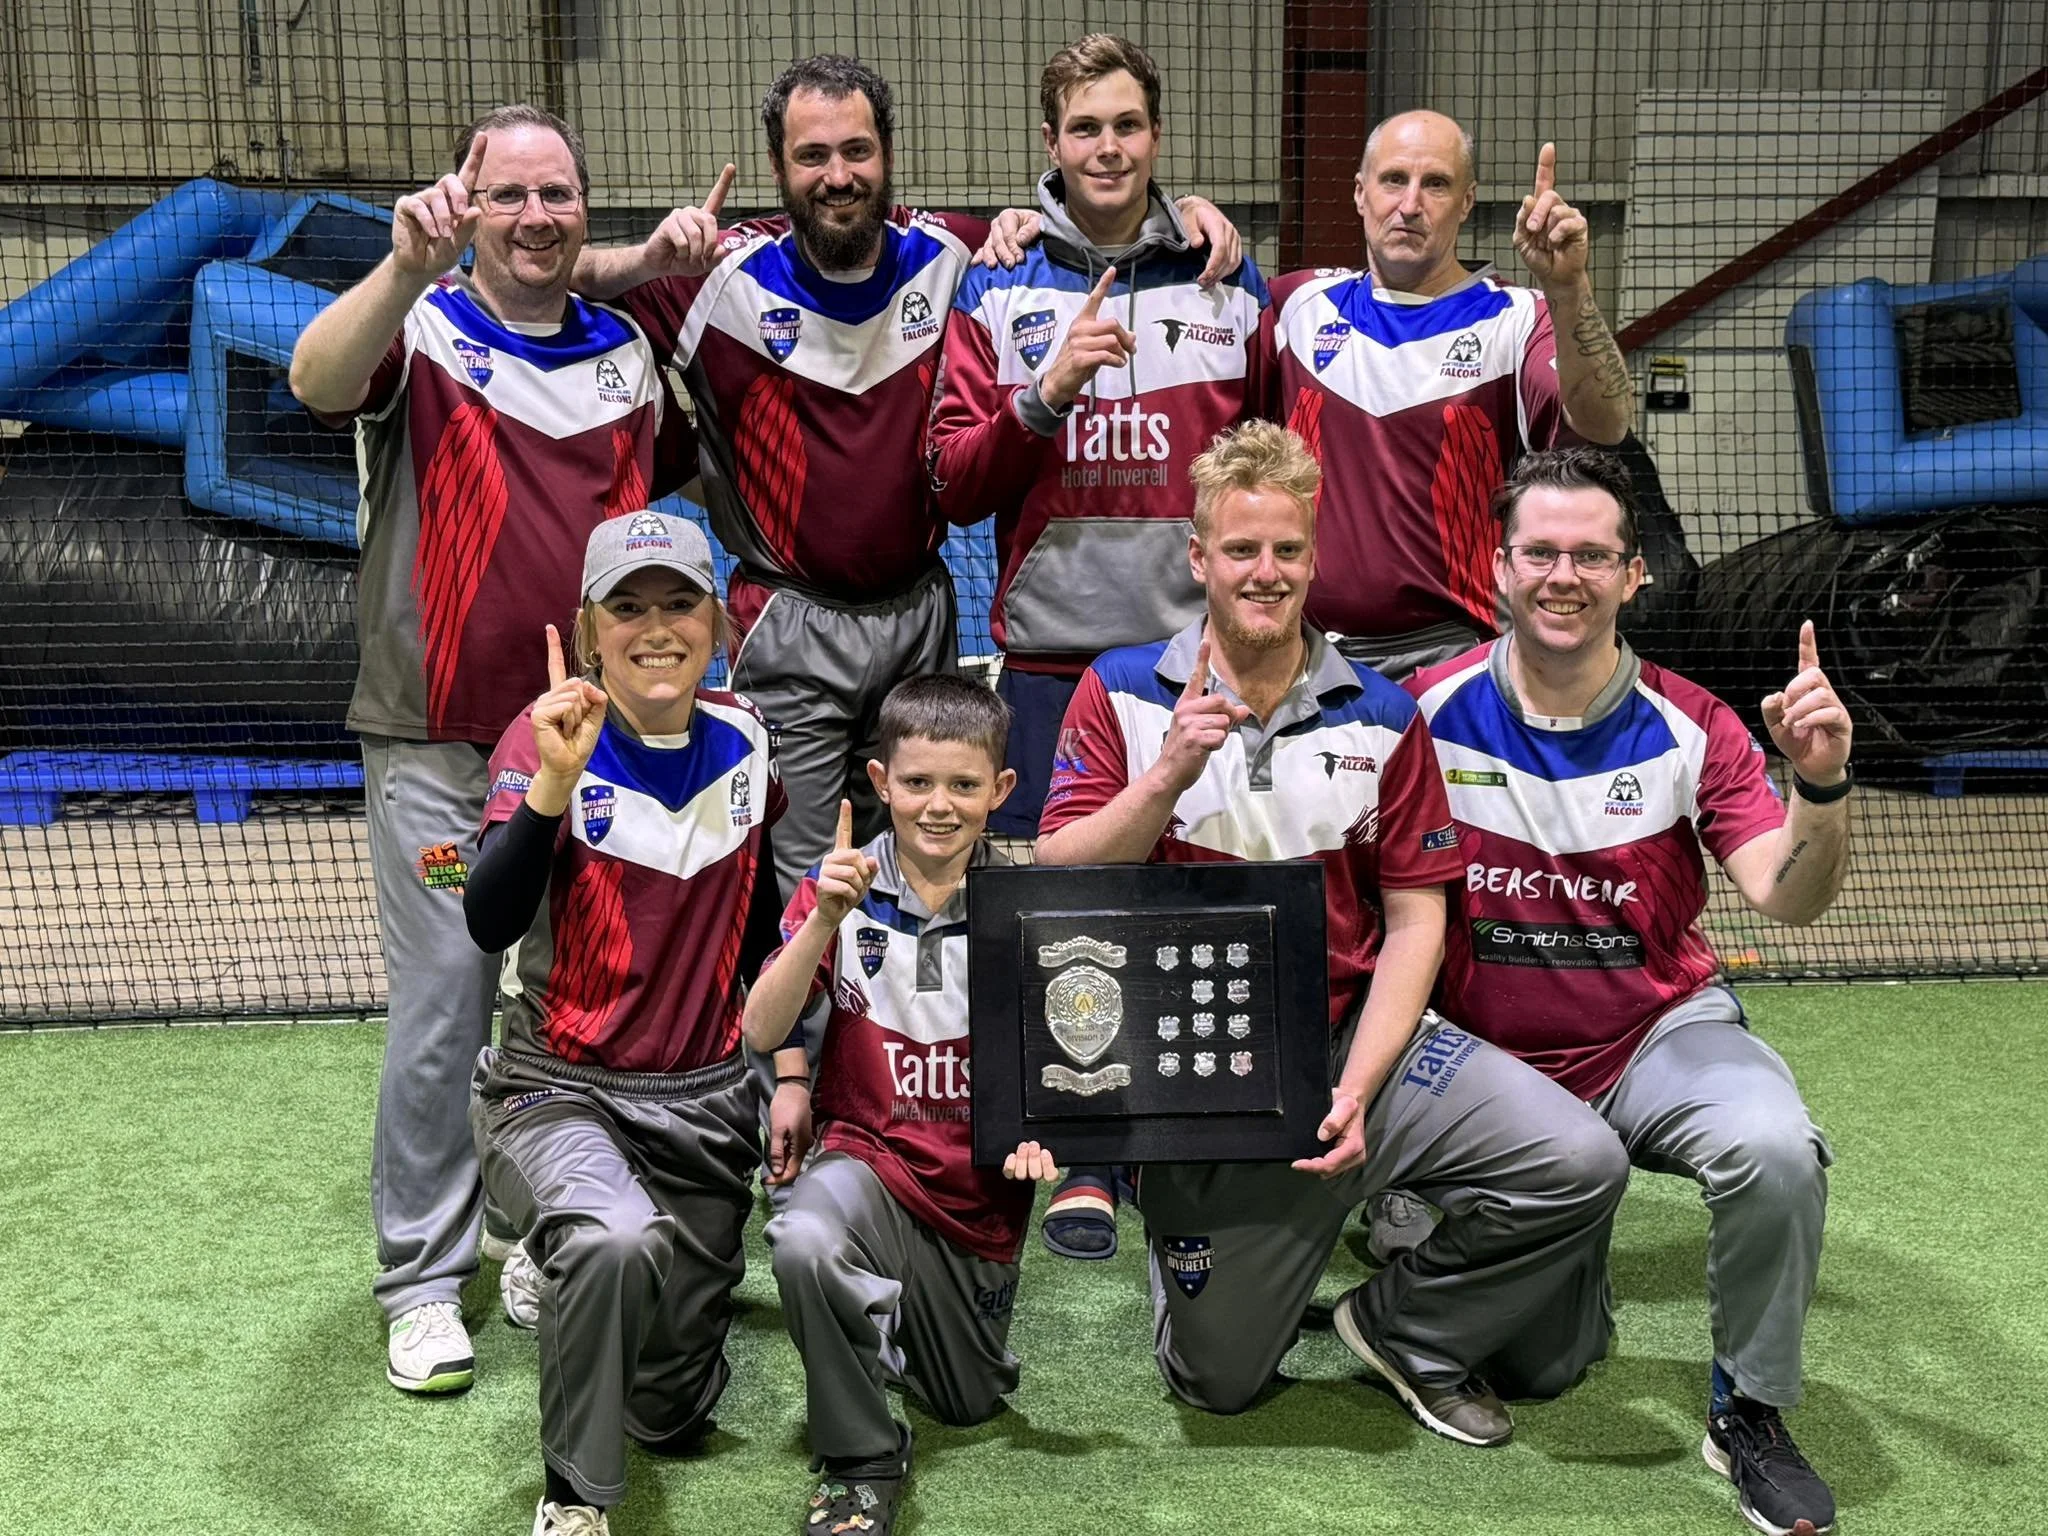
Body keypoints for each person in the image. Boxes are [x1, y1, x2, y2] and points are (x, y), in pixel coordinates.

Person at [1037, 420, 1629, 1444]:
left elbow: (1414, 921)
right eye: (1239, 550)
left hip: (1356, 1046)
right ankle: (1200, 1259)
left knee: (1578, 1161)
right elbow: (1056, 878)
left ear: (1313, 557)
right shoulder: (1122, 691)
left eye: (1285, 551)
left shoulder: (1385, 714)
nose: (1263, 574)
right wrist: (1168, 774)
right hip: (1199, 1075)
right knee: (1218, 1383)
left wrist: (1356, 1085)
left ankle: (1399, 1325)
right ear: (1197, 558)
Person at [572, 54, 1242, 899]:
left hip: (922, 618)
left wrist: (1183, 213)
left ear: (888, 153)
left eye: (857, 151)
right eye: (812, 156)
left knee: (931, 872)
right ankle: (799, 1033)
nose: (838, 175)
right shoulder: (716, 277)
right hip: (788, 622)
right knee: (807, 885)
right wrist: (644, 259)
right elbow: (545, 272)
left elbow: (1068, 223)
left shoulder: (957, 254)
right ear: (778, 166)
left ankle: (908, 1034)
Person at [288, 103, 691, 1394]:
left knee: (567, 1018)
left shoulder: (627, 355)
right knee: (446, 1012)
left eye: (558, 194)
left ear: (587, 206)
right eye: (507, 195)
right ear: (466, 207)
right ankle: (420, 1277)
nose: (535, 217)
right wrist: (405, 263)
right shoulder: (422, 330)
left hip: (590, 753)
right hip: (444, 750)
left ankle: (536, 1234)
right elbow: (312, 379)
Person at [1406, 447, 1851, 1535]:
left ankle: (1747, 1412)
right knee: (1546, 1366)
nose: (1564, 576)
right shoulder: (1418, 711)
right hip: (1490, 1067)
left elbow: (1785, 900)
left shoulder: (1692, 723)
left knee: (1773, 1147)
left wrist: (1819, 783)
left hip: (1651, 1033)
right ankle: (1491, 1240)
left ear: (1630, 574)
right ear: (1498, 567)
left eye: (1591, 556)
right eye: (1541, 553)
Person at [927, 32, 1267, 1259]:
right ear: (1050, 145)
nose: (1107, 148)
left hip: (1199, 664)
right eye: (1083, 128)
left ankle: (1186, 1154)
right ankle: (1076, 1155)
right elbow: (957, 480)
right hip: (1051, 663)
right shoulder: (995, 283)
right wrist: (1046, 392)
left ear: (1156, 139)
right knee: (1056, 912)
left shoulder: (1233, 279)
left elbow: (1273, 474)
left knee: (1198, 904)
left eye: (1126, 125)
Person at [461, 511, 797, 1536]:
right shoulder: (545, 736)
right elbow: (487, 918)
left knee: (669, 1411)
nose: (655, 628)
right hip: (558, 1084)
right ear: (590, 626)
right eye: (627, 606)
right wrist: (552, 791)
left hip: (701, 1100)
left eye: (678, 602)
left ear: (716, 620)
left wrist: (784, 1069)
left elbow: (759, 925)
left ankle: (575, 1266)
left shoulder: (746, 736)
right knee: (608, 1242)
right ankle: (571, 1501)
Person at [743, 674, 1059, 1536]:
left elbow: (1071, 1055)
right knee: (805, 1239)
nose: (939, 806)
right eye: (917, 783)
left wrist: (1050, 1142)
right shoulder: (837, 887)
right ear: (881, 783)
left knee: (967, 1404)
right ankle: (860, 1459)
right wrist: (819, 923)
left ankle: (879, 1332)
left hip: (977, 1199)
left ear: (1000, 792)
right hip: (867, 1162)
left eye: (964, 786)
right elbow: (759, 1027)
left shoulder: (1031, 903)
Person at [1263, 110, 1634, 679]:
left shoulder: (1515, 320)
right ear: (1360, 194)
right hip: (1307, 656)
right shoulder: (1297, 306)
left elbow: (1606, 423)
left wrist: (1568, 286)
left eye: (1435, 184)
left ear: (1466, 202)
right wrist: (1192, 212)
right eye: (1393, 180)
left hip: (1460, 658)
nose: (1410, 204)